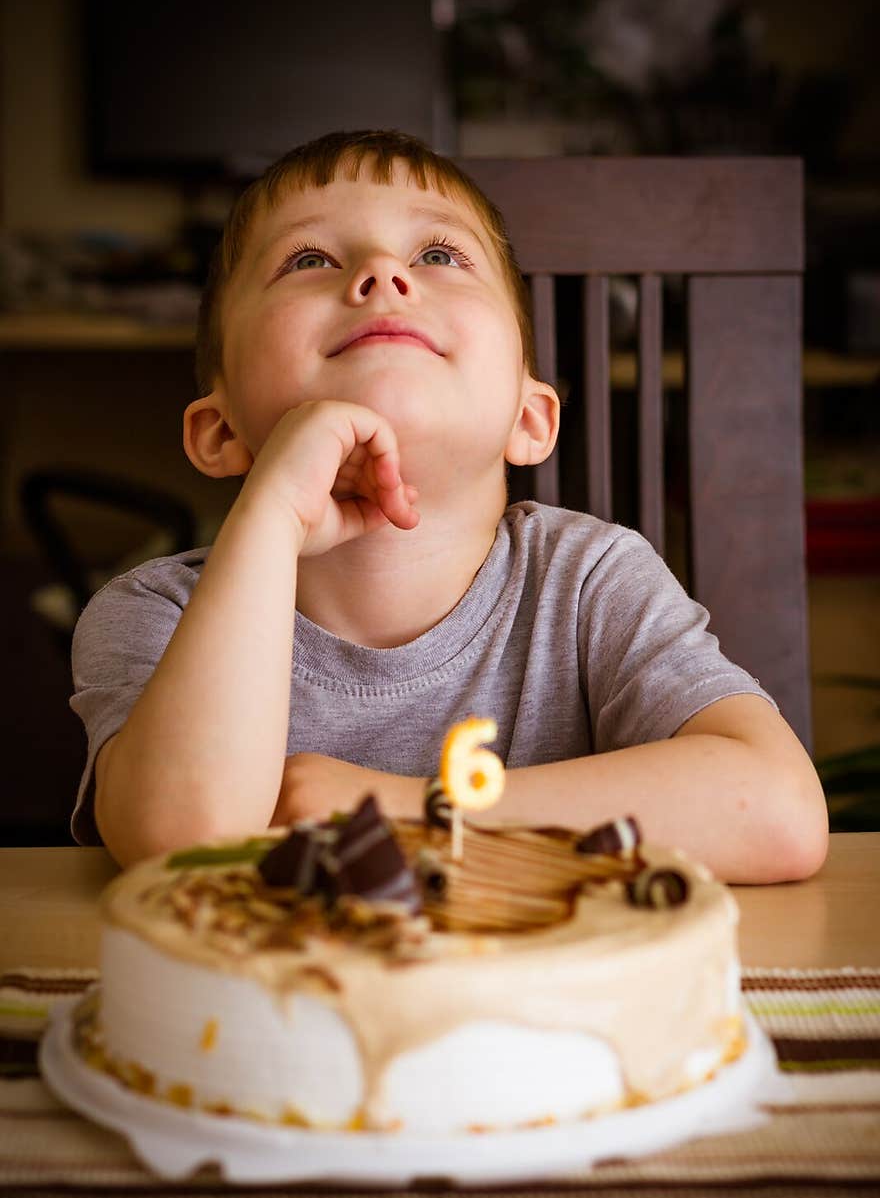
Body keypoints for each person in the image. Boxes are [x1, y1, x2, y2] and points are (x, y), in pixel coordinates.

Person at [69, 129, 829, 881]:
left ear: (529, 418)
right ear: (219, 431)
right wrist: (271, 516)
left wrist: (412, 809)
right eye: (310, 260)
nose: (382, 274)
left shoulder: (591, 581)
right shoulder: (153, 613)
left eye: (438, 255)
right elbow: (178, 841)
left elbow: (778, 811)